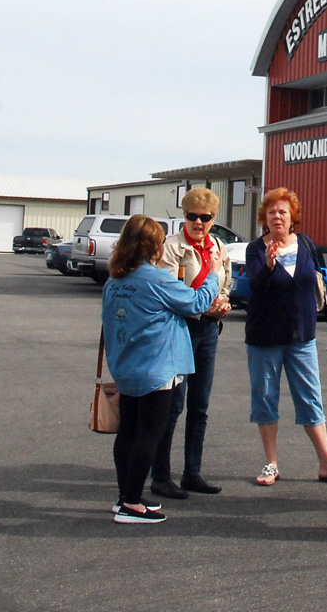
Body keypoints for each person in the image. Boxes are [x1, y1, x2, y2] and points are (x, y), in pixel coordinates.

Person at [101, 215, 221, 523]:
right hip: (156, 368)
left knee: (128, 432)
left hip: (125, 366)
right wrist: (213, 273)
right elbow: (196, 303)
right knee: (149, 434)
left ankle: (126, 495)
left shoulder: (114, 280)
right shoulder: (156, 279)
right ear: (151, 246)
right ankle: (131, 504)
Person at [244, 188, 327, 488]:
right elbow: (255, 287)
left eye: (282, 211)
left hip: (302, 336)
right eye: (271, 212)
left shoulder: (305, 243)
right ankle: (271, 463)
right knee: (266, 398)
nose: (277, 217)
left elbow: (320, 285)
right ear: (264, 218)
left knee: (310, 397)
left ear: (293, 217)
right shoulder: (256, 249)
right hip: (265, 337)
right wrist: (269, 266)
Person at [149, 188, 232, 500]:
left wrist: (222, 302)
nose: (198, 222)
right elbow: (170, 290)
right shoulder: (172, 247)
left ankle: (192, 472)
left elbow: (226, 281)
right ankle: (160, 476)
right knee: (173, 404)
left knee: (200, 405)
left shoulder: (218, 247)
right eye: (192, 216)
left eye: (205, 217)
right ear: (184, 216)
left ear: (213, 219)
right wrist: (203, 306)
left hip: (208, 331)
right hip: (180, 329)